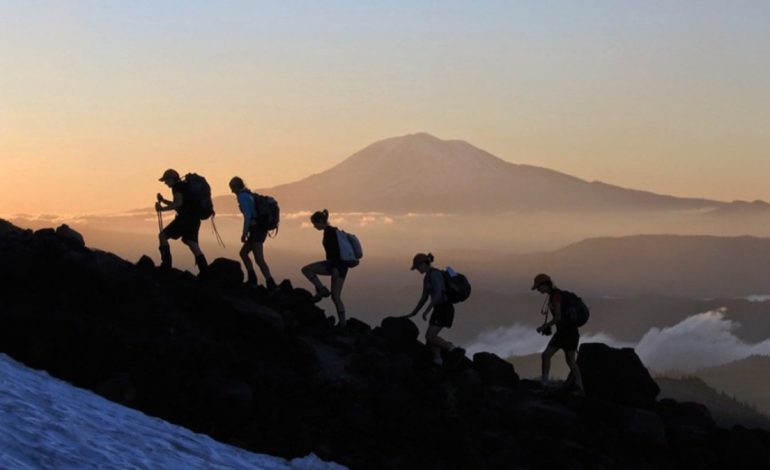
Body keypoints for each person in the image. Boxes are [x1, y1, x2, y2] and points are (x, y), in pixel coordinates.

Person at [405, 253, 462, 366]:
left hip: (444, 309)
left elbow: (438, 294)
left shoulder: (435, 275)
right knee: (431, 338)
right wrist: (414, 312)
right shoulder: (427, 277)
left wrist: (427, 310)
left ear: (422, 264)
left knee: (430, 336)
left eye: (417, 267)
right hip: (439, 309)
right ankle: (438, 361)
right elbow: (424, 297)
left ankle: (454, 350)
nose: (417, 270)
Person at [532, 273, 585, 394]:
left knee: (555, 357)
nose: (538, 290)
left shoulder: (556, 296)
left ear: (545, 285)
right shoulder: (555, 295)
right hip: (567, 333)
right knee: (567, 360)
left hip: (566, 333)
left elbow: (558, 317)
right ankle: (579, 386)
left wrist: (544, 327)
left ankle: (546, 384)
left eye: (539, 287)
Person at [301, 210, 348, 327]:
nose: (314, 226)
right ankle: (343, 324)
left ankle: (321, 289)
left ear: (321, 221)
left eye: (315, 223)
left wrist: (334, 268)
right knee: (336, 297)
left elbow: (334, 252)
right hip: (343, 267)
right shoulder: (335, 231)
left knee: (306, 269)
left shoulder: (329, 233)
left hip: (334, 266)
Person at [155, 169, 208, 273]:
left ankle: (166, 266)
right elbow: (182, 204)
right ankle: (205, 271)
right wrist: (164, 201)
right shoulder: (184, 186)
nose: (165, 183)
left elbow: (178, 204)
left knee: (162, 236)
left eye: (166, 180)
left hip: (184, 219)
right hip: (194, 219)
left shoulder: (177, 187)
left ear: (171, 179)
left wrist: (162, 209)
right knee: (192, 243)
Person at [229, 177, 276, 289]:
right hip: (259, 229)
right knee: (244, 253)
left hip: (256, 230)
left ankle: (270, 283)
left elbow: (248, 216)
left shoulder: (242, 197)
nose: (231, 191)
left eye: (232, 188)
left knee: (259, 259)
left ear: (236, 187)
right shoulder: (249, 194)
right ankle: (253, 278)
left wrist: (244, 233)